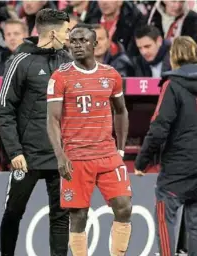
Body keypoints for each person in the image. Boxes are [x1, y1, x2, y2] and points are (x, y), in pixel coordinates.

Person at [134, 36, 197, 256]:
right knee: (196, 223)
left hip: (177, 168)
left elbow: (159, 127)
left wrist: (142, 161)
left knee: (165, 216)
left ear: (173, 58)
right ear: (196, 55)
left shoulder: (172, 85)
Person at [47, 24, 132, 256]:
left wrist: (121, 150)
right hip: (76, 157)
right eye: (73, 41)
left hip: (107, 155)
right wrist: (61, 155)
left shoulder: (111, 75)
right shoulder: (60, 77)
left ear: (95, 44)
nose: (77, 44)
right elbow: (52, 119)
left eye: (83, 40)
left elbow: (121, 111)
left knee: (124, 207)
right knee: (79, 216)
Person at [0, 9, 72, 256]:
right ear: (52, 33)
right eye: (66, 31)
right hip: (26, 156)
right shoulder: (19, 61)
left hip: (60, 157)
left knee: (61, 216)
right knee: (13, 212)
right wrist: (15, 151)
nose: (69, 36)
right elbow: (4, 110)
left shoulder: (67, 61)